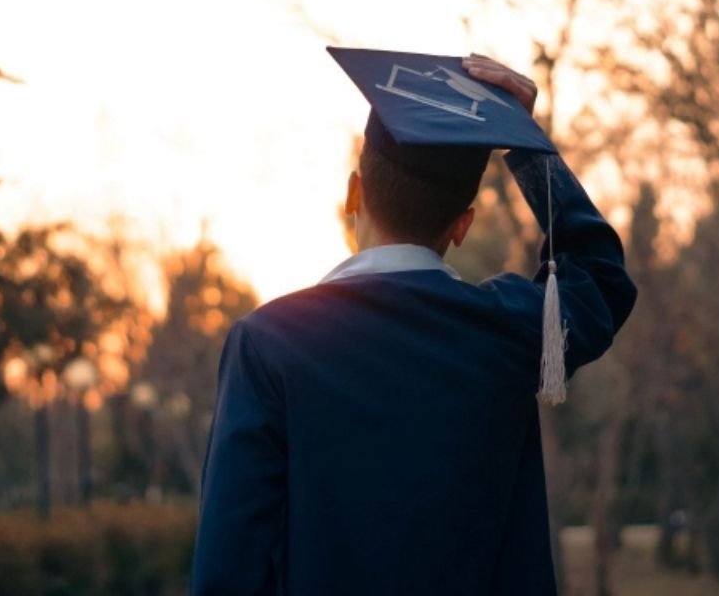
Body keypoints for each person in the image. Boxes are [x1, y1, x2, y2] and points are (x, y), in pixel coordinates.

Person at [191, 48, 637, 596]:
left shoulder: (268, 345)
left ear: (354, 193)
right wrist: (528, 147)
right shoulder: (509, 330)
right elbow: (599, 276)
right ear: (463, 226)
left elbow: (228, 571)